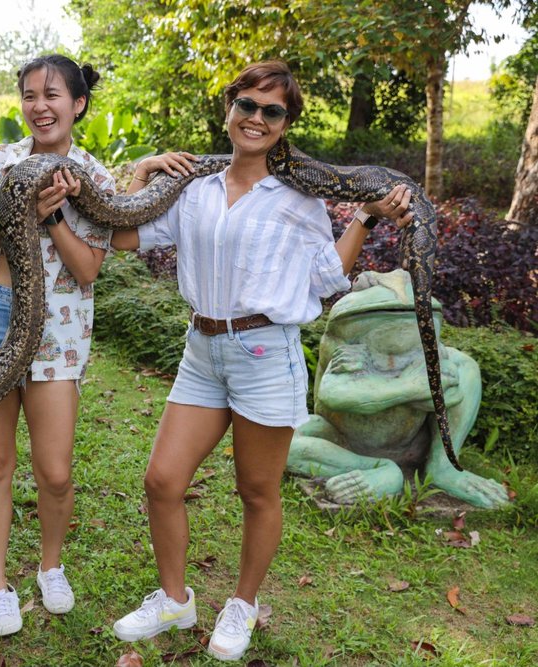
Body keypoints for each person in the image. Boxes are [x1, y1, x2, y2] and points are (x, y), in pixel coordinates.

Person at [109, 60, 413, 661]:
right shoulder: (190, 186)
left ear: (284, 126)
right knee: (162, 481)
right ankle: (175, 600)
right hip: (202, 349)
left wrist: (363, 218)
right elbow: (122, 235)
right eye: (247, 104)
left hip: (264, 352)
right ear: (229, 108)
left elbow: (329, 276)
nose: (256, 118)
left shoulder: (297, 200)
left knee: (257, 490)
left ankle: (243, 605)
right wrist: (140, 173)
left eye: (272, 111)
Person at [0, 54, 115, 637]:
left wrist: (53, 219)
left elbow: (88, 270)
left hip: (58, 327)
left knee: (57, 471)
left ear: (78, 103)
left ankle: (50, 566)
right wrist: (18, 209)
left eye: (52, 95)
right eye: (29, 95)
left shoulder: (93, 179)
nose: (39, 106)